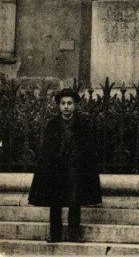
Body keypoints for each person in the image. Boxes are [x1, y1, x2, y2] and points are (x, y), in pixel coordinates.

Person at [28, 88, 102, 243]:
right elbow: (46, 150)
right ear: (59, 106)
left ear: (75, 105)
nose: (66, 106)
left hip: (75, 169)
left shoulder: (82, 125)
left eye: (69, 103)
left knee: (74, 202)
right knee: (55, 203)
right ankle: (55, 235)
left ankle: (74, 235)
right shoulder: (52, 125)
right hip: (57, 170)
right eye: (63, 103)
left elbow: (89, 149)